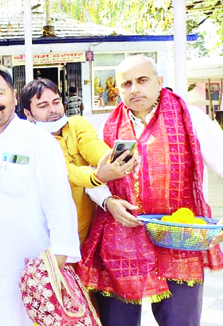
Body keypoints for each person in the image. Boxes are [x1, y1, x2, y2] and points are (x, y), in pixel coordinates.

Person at [78, 55, 223, 326]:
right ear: (118, 90)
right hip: (122, 240)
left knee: (180, 320)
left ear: (159, 82)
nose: (134, 89)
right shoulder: (107, 126)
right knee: (117, 321)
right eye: (126, 84)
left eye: (142, 80)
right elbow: (94, 178)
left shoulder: (190, 118)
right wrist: (108, 202)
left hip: (178, 237)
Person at [0, 65, 80, 326]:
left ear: (14, 96)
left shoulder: (39, 141)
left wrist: (58, 261)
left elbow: (59, 203)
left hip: (28, 268)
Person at [19, 78, 137, 244]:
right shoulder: (28, 140)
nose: (53, 110)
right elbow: (63, 171)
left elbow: (92, 145)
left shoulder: (76, 124)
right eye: (43, 106)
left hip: (88, 226)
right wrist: (96, 177)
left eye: (56, 102)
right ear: (28, 113)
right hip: (51, 233)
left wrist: (112, 159)